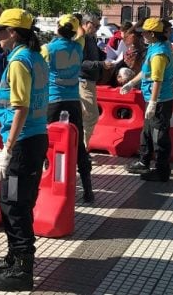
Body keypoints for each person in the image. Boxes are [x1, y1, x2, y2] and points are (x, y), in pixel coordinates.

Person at [0, 8, 49, 291]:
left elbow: (20, 108)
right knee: (12, 202)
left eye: (1, 33)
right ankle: (12, 259)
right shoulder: (35, 58)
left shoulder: (20, 62)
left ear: (14, 33)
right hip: (31, 140)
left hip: (22, 144)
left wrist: (7, 150)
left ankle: (22, 269)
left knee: (15, 205)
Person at [41, 14, 94, 203]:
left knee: (49, 142)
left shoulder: (47, 49)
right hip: (73, 101)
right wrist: (77, 22)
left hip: (53, 101)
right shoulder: (78, 47)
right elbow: (81, 33)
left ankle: (51, 181)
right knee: (78, 143)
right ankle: (88, 189)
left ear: (58, 28)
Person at [122, 17, 173, 182]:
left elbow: (157, 79)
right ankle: (143, 161)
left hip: (159, 100)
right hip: (151, 97)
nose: (142, 35)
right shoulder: (154, 47)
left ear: (152, 33)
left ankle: (161, 171)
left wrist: (153, 103)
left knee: (159, 135)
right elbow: (146, 72)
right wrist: (131, 83)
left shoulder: (159, 53)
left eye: (144, 32)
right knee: (147, 132)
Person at [79, 13, 113, 146]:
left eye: (99, 26)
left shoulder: (91, 38)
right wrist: (101, 64)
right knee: (91, 115)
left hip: (90, 81)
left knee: (86, 115)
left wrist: (106, 56)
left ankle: (80, 147)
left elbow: (97, 55)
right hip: (83, 81)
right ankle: (81, 148)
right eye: (95, 25)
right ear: (86, 24)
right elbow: (81, 62)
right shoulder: (82, 39)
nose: (98, 28)